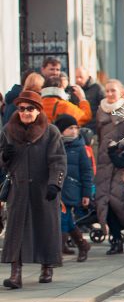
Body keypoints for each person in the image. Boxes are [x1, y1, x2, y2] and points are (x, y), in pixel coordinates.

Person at [1, 90, 67, 288]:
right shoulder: (8, 130)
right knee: (15, 230)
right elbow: (2, 160)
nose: (25, 112)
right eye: (21, 108)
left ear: (38, 111)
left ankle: (47, 266)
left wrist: (55, 183)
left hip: (43, 188)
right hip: (18, 188)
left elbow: (59, 161)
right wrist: (5, 156)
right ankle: (16, 273)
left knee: (46, 227)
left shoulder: (51, 131)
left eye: (30, 108)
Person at [95, 80, 124, 254]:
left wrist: (119, 147)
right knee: (104, 201)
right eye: (107, 91)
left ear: (121, 92)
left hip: (121, 163)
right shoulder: (101, 110)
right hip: (103, 163)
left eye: (113, 90)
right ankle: (115, 239)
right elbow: (98, 137)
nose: (109, 94)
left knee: (120, 201)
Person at [53, 115, 94, 261]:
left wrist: (86, 194)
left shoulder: (80, 148)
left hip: (72, 189)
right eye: (70, 128)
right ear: (61, 130)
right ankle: (83, 245)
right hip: (57, 188)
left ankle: (58, 251)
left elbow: (87, 171)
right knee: (68, 220)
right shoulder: (54, 145)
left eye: (76, 127)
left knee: (62, 219)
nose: (74, 131)